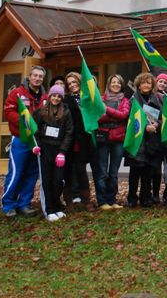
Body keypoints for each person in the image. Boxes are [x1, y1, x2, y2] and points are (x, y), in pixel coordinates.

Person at [1, 65, 48, 218]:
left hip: (37, 141)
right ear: (29, 76)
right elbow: (9, 111)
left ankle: (24, 204)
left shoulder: (45, 97)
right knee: (16, 173)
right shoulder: (17, 93)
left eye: (41, 76)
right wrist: (24, 124)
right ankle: (9, 204)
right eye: (35, 75)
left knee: (32, 174)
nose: (38, 78)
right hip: (21, 139)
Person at [32, 84, 73, 222]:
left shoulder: (66, 112)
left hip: (59, 150)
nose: (56, 98)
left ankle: (57, 207)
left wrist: (62, 151)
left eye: (59, 96)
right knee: (47, 180)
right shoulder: (40, 112)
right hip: (45, 150)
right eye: (54, 95)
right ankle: (49, 210)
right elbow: (34, 131)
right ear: (49, 96)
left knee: (58, 181)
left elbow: (69, 133)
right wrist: (36, 145)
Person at [127, 72, 163, 207]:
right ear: (138, 85)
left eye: (149, 83)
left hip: (152, 141)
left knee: (148, 170)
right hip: (137, 140)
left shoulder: (158, 99)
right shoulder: (132, 100)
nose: (146, 85)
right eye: (143, 83)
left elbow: (162, 117)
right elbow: (129, 120)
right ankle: (132, 198)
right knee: (135, 172)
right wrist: (144, 128)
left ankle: (145, 197)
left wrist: (157, 124)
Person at [95, 74, 130, 210]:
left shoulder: (125, 101)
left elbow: (123, 115)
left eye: (118, 83)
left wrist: (107, 110)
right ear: (109, 84)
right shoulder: (100, 99)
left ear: (121, 85)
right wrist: (113, 116)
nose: (116, 84)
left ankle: (112, 199)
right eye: (113, 82)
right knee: (102, 171)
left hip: (118, 139)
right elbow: (98, 117)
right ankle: (102, 201)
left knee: (114, 173)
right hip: (102, 138)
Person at [63, 72, 92, 209]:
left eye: (74, 82)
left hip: (85, 139)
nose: (72, 85)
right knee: (69, 169)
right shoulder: (66, 99)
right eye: (69, 84)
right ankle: (70, 199)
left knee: (81, 169)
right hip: (69, 139)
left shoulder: (87, 97)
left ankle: (86, 199)